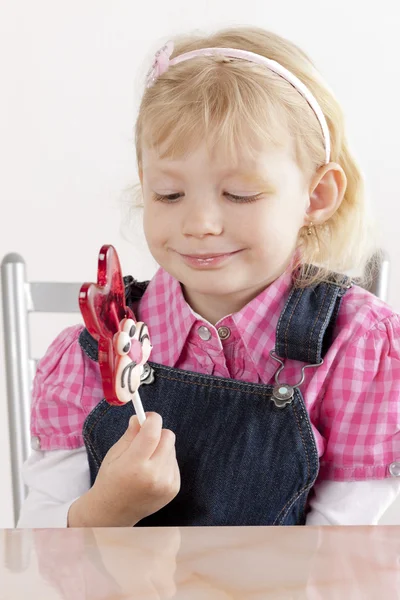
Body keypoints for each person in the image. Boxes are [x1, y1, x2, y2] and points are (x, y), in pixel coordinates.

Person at [18, 26, 400, 528]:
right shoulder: (91, 353)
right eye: (169, 195)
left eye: (239, 195)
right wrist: (106, 511)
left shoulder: (357, 348)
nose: (199, 224)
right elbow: (40, 550)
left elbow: (349, 558)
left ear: (316, 195)